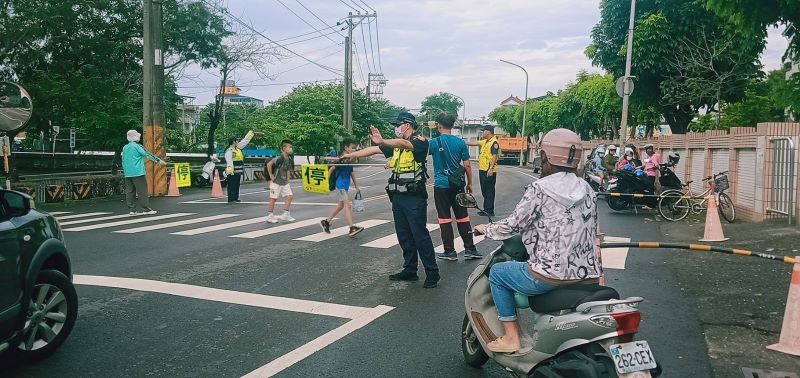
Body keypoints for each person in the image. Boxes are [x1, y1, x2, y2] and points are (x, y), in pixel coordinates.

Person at [473, 128, 602, 353]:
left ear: (545, 156)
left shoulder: (540, 188)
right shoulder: (587, 189)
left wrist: (486, 229)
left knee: (498, 273)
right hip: (587, 277)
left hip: (549, 275)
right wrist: (598, 273)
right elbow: (594, 234)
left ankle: (512, 338)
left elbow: (514, 224)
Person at [339, 113, 440, 288]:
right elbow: (374, 149)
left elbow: (405, 144)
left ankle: (432, 272)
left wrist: (383, 140)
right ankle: (410, 270)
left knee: (419, 235)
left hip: (414, 197)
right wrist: (352, 155)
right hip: (398, 196)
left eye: (398, 125)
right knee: (404, 235)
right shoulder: (396, 146)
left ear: (407, 125)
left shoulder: (420, 141)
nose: (396, 128)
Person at [428, 112, 481, 261]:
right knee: (463, 217)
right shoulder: (460, 143)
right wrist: (470, 183)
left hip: (441, 186)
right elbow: (467, 165)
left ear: (439, 125)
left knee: (444, 219)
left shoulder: (434, 142)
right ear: (452, 126)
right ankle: (470, 249)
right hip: (458, 186)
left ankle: (449, 251)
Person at [320, 138, 365, 237]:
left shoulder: (350, 159)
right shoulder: (341, 159)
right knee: (347, 205)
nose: (354, 150)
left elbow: (351, 172)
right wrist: (325, 182)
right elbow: (331, 169)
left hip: (345, 185)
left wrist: (356, 186)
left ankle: (326, 222)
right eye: (352, 148)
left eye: (355, 148)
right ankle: (351, 228)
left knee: (341, 205)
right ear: (346, 148)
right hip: (340, 185)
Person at [121, 129, 166, 215]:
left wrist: (125, 170)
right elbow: (147, 154)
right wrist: (159, 161)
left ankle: (132, 209)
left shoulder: (125, 147)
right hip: (138, 172)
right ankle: (146, 209)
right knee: (142, 191)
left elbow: (123, 160)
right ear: (135, 136)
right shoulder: (137, 146)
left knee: (130, 191)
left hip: (128, 172)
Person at [466, 125, 499, 216]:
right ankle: (486, 209)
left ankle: (489, 210)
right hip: (483, 169)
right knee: (484, 190)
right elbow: (474, 143)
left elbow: (494, 155)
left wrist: (491, 168)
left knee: (489, 191)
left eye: (484, 131)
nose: (482, 132)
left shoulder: (494, 142)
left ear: (488, 132)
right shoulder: (485, 142)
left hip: (489, 170)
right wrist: (462, 142)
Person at [224, 130, 263, 203]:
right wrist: (230, 171)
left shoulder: (238, 148)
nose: (238, 142)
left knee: (236, 184)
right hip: (232, 171)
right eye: (236, 141)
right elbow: (229, 162)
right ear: (233, 142)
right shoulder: (229, 151)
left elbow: (245, 141)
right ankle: (231, 199)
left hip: (238, 170)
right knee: (232, 185)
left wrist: (252, 133)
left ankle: (235, 198)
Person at [266, 140, 295, 223]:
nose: (291, 149)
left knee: (290, 196)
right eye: (289, 147)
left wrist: (288, 179)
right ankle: (270, 216)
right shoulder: (279, 158)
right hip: (276, 182)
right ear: (284, 148)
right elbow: (269, 164)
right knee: (273, 198)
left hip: (284, 182)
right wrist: (271, 175)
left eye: (291, 147)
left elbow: (288, 169)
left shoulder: (289, 158)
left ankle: (285, 214)